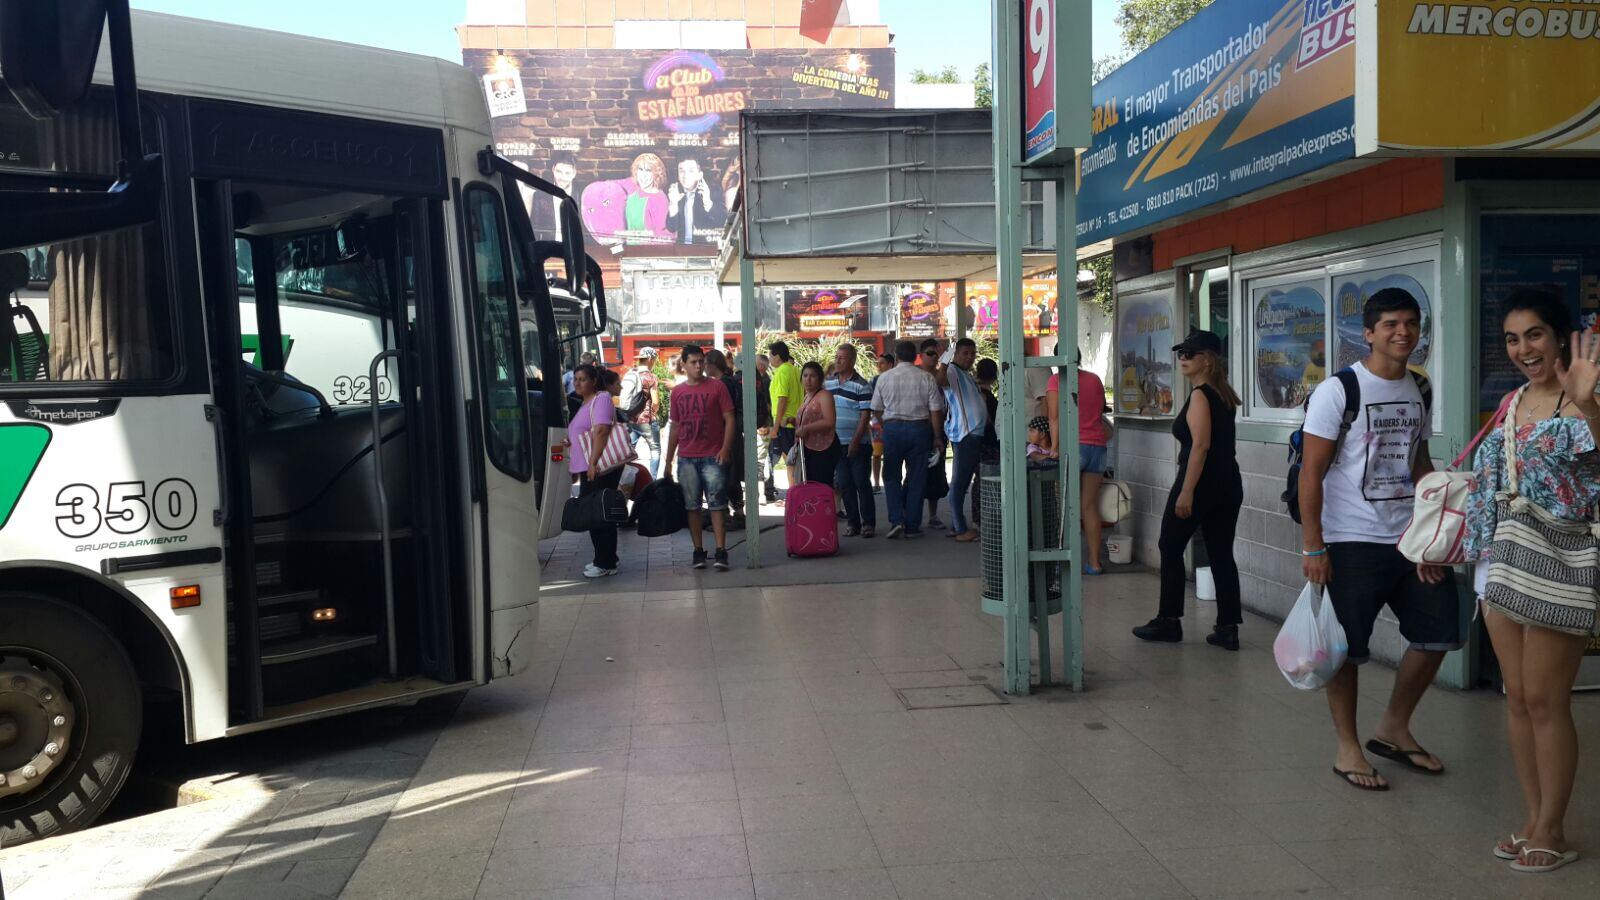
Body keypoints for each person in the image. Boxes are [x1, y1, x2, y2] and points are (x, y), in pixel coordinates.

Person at [1297, 288, 1457, 792]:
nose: (1403, 332)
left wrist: (1432, 532)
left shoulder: (1419, 389)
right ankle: (1348, 748)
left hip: (1409, 539)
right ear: (1367, 333)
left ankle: (1392, 727)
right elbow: (1311, 472)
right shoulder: (1339, 390)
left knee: (1440, 632)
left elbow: (1419, 461)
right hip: (1350, 540)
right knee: (1347, 649)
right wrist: (1314, 546)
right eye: (1390, 324)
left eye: (1410, 323)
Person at [1465, 290, 1600, 873]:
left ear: (1562, 338)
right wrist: (1467, 552)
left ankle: (1553, 828)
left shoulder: (1585, 402)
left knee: (1548, 700)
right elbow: (1486, 479)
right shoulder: (1511, 401)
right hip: (1503, 563)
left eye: (1536, 335)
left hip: (1559, 559)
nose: (1524, 349)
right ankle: (1532, 815)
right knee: (1517, 697)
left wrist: (1590, 405)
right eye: (1514, 339)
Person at [1132, 330, 1244, 650]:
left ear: (1207, 358)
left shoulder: (1200, 395)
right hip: (1228, 481)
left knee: (1169, 545)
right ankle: (1227, 627)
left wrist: (1187, 491)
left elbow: (1201, 446)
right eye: (1181, 353)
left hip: (1201, 480)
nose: (1182, 358)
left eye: (1190, 353)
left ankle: (1169, 620)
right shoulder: (1224, 394)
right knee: (1221, 552)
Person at [662, 345, 736, 571]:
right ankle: (698, 550)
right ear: (683, 365)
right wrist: (668, 459)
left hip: (712, 455)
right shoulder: (678, 392)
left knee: (717, 504)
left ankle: (721, 550)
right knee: (691, 506)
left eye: (700, 362)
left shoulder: (717, 387)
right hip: (687, 457)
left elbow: (730, 419)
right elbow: (675, 426)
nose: (698, 366)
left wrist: (725, 449)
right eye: (693, 362)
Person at [871, 340, 947, 539]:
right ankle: (912, 525)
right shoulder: (926, 378)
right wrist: (937, 436)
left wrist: (887, 424)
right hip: (919, 429)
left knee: (891, 476)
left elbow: (877, 408)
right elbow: (936, 411)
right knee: (916, 477)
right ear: (916, 357)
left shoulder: (884, 378)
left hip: (893, 429)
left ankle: (896, 520)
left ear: (896, 357)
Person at [1046, 349, 1111, 573]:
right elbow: (1100, 412)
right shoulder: (1094, 379)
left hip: (1074, 447)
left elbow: (1054, 418)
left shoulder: (1056, 381)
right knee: (1089, 507)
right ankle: (1094, 562)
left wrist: (1054, 448)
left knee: (1064, 506)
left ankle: (1060, 562)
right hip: (1098, 448)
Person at [556, 364, 622, 579]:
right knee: (596, 513)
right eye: (575, 379)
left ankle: (605, 562)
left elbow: (602, 431)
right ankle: (604, 558)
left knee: (599, 514)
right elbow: (585, 434)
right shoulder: (584, 403)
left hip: (600, 466)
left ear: (594, 381)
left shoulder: (600, 399)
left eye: (582, 379)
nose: (577, 383)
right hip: (588, 467)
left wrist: (593, 463)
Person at [934, 338, 988, 543]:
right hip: (965, 434)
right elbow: (939, 380)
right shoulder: (952, 371)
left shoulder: (965, 374)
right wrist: (945, 360)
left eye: (972, 353)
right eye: (965, 353)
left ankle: (958, 525)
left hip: (973, 434)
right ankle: (960, 528)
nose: (970, 357)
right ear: (955, 354)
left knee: (963, 482)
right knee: (959, 483)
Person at [826, 344, 875, 537]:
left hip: (858, 444)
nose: (837, 361)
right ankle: (853, 523)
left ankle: (868, 523)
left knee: (861, 483)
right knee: (845, 484)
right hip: (836, 443)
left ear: (852, 361)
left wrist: (856, 441)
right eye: (836, 357)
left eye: (842, 358)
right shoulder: (828, 384)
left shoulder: (862, 385)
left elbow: (865, 416)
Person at [704, 348, 746, 531]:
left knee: (726, 475)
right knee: (731, 475)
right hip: (733, 433)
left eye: (705, 363)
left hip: (726, 434)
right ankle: (737, 513)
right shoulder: (730, 381)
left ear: (713, 365)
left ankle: (730, 516)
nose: (703, 367)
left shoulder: (723, 384)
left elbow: (725, 413)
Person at [795, 361, 841, 487]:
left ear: (820, 378)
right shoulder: (807, 396)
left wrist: (807, 428)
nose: (808, 380)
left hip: (824, 448)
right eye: (805, 376)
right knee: (809, 484)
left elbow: (829, 421)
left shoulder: (824, 395)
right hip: (808, 447)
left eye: (812, 376)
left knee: (821, 485)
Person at [767, 341, 803, 501]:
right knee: (794, 462)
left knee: (790, 464)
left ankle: (794, 497)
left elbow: (782, 399)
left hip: (784, 423)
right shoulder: (795, 370)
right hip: (795, 421)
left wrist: (775, 427)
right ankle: (796, 494)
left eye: (770, 355)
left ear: (777, 356)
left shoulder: (781, 372)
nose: (769, 359)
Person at [917, 339, 946, 529]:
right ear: (920, 355)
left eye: (936, 354)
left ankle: (933, 515)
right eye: (930, 353)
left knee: (936, 472)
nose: (934, 357)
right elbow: (933, 387)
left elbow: (943, 384)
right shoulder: (917, 375)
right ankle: (912, 515)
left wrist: (943, 366)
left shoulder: (943, 374)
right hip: (919, 428)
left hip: (940, 429)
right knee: (916, 472)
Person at [620, 347, 662, 477]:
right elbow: (655, 402)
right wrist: (654, 412)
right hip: (647, 421)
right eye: (654, 359)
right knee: (655, 450)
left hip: (632, 420)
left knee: (628, 450)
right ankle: (653, 480)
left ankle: (624, 480)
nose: (654, 362)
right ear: (650, 359)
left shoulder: (631, 373)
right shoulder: (651, 377)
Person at [666, 158, 726, 244]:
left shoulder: (713, 191)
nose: (685, 176)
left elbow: (724, 221)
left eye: (691, 171)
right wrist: (673, 204)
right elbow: (672, 228)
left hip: (707, 251)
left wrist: (708, 203)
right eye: (682, 171)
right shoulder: (676, 192)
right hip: (682, 251)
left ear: (699, 175)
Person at [870, 351, 895, 492]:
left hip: (893, 420)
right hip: (877, 422)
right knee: (876, 454)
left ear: (890, 364)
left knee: (892, 454)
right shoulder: (875, 380)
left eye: (882, 363)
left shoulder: (897, 380)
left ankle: (890, 481)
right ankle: (877, 483)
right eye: (878, 363)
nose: (879, 366)